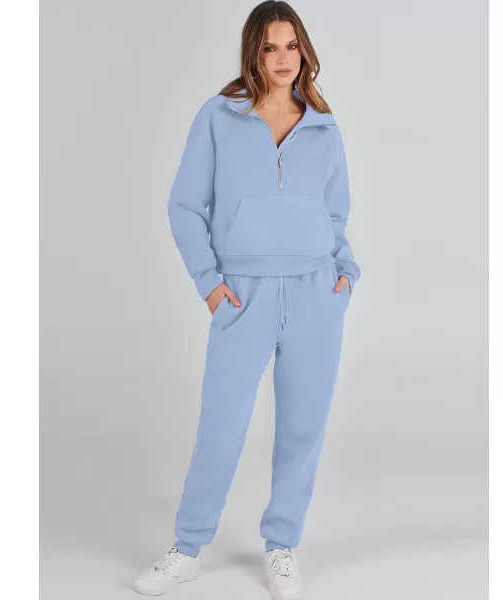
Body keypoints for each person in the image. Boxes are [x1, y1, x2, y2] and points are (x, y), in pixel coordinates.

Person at [132, 2, 360, 598]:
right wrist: (210, 285)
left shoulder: (323, 126)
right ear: (252, 53)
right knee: (222, 425)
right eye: (269, 47)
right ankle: (187, 548)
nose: (282, 59)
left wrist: (344, 274)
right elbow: (185, 205)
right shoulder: (218, 116)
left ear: (304, 51)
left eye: (291, 46)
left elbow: (334, 213)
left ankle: (281, 545)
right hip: (243, 296)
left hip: (315, 295)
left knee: (302, 429)